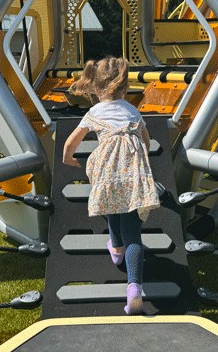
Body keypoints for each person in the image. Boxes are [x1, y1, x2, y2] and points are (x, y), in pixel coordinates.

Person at [62, 56, 161, 315]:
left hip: (107, 175)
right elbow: (146, 142)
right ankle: (134, 287)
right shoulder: (132, 111)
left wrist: (68, 157)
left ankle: (116, 247)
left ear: (95, 87)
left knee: (111, 205)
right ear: (125, 88)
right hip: (132, 177)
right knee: (133, 233)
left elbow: (72, 142)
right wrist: (141, 157)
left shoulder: (94, 112)